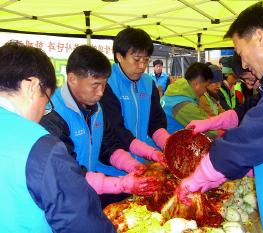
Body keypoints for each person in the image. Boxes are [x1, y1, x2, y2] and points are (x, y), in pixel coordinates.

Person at [176, 2, 263, 233]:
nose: (243, 64)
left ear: (259, 37)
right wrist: (217, 177)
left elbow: (250, 138)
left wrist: (199, 177)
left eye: (240, 52)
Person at [0, 42, 115, 232]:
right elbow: (80, 222)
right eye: (46, 102)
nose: (43, 113)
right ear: (32, 86)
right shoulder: (41, 147)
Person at [40, 45, 159, 207]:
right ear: (72, 78)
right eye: (95, 85)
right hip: (61, 200)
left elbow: (108, 146)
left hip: (87, 191)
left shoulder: (96, 108)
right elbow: (67, 172)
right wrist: (121, 184)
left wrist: (134, 166)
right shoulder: (52, 113)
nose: (101, 92)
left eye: (104, 85)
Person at [99, 28, 170, 177]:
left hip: (140, 164)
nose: (142, 66)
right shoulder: (105, 83)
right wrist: (150, 153)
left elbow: (155, 122)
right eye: (137, 59)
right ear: (119, 56)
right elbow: (115, 130)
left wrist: (168, 144)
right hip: (112, 169)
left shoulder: (148, 82)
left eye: (146, 60)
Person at [160, 62, 224, 138]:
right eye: (205, 87)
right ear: (196, 84)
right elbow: (209, 132)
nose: (205, 91)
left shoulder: (176, 92)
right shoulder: (184, 104)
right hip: (163, 147)